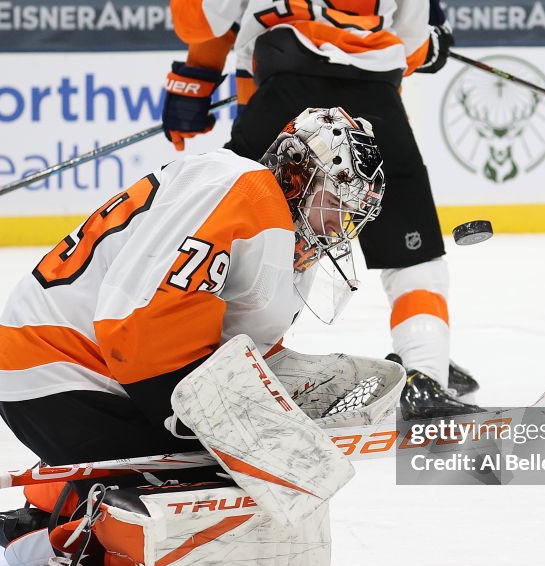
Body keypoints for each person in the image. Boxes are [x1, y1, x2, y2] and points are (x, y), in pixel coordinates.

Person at [0, 107, 388, 566]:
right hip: (66, 373)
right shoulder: (248, 193)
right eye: (334, 204)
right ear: (295, 173)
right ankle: (76, 554)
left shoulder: (270, 223)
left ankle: (49, 512)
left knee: (236, 467)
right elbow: (139, 322)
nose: (340, 226)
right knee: (205, 483)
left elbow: (234, 348)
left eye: (351, 215)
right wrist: (206, 424)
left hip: (70, 373)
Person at [161, 0, 478, 419]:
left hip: (279, 98)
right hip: (372, 102)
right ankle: (425, 373)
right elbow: (412, 45)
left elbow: (199, 19)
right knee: (414, 255)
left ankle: (207, 374)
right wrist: (433, 46)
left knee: (245, 247)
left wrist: (194, 81)